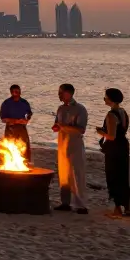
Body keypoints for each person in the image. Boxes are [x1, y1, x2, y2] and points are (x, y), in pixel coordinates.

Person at [96, 88, 130, 217]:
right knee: (123, 175)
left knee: (113, 176)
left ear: (110, 99)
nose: (104, 99)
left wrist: (101, 132)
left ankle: (117, 208)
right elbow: (121, 131)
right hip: (123, 145)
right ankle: (127, 207)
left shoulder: (111, 114)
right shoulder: (123, 112)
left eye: (105, 97)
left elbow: (111, 136)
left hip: (114, 147)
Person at [53, 83, 89, 214]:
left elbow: (81, 129)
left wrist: (63, 126)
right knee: (64, 174)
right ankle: (65, 202)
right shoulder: (60, 109)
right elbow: (57, 124)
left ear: (69, 93)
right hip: (62, 144)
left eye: (61, 92)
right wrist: (57, 127)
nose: (59, 95)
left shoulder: (80, 109)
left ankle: (81, 205)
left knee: (77, 174)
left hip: (75, 144)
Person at [0, 84, 33, 162]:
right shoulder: (6, 103)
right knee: (10, 148)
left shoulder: (24, 102)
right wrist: (14, 121)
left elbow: (29, 114)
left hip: (22, 128)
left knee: (24, 148)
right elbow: (3, 119)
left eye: (18, 91)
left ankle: (24, 164)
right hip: (11, 129)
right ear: (11, 93)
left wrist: (27, 119)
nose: (17, 93)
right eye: (15, 92)